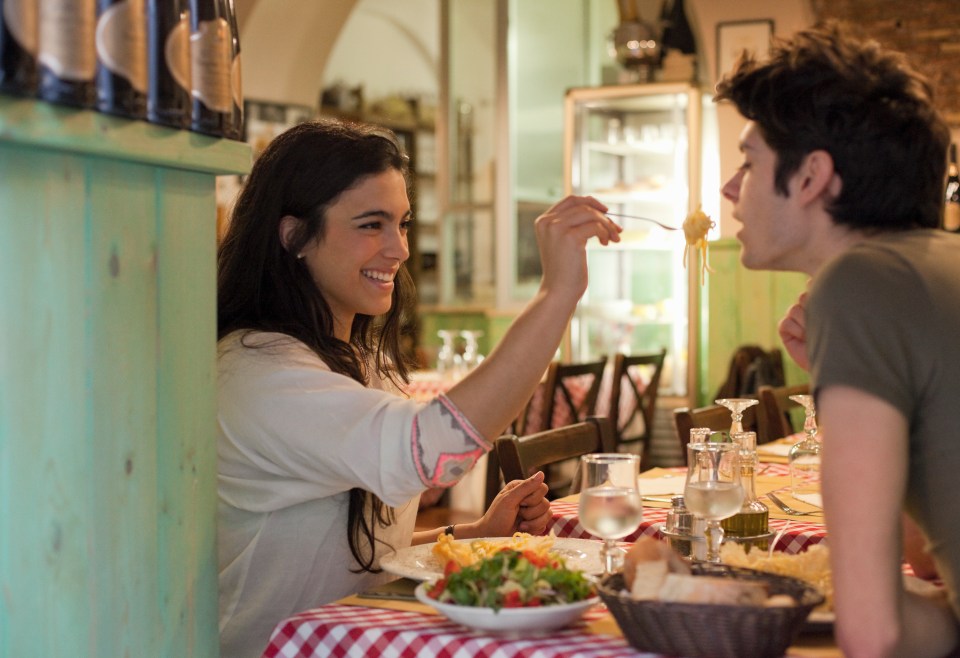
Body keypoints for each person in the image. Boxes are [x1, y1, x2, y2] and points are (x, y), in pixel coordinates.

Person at [215, 118, 621, 656]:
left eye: (402, 224)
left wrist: (473, 535)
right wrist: (557, 293)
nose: (399, 248)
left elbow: (361, 555)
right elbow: (432, 453)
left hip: (357, 641)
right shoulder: (257, 373)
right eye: (371, 224)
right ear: (294, 235)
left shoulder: (359, 359)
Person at [717, 23, 960, 657]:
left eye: (749, 161)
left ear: (810, 177)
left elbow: (873, 635)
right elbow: (931, 561)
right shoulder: (937, 268)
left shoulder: (856, 284)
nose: (730, 189)